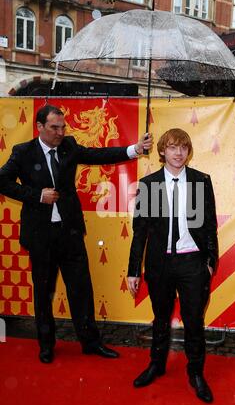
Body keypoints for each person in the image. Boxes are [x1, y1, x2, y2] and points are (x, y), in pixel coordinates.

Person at [0, 104, 152, 364]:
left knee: (81, 290)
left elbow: (97, 154)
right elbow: (1, 181)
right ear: (39, 128)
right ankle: (46, 345)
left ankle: (91, 343)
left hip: (70, 233)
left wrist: (134, 149)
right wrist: (37, 195)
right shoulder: (23, 152)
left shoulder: (69, 145)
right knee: (44, 292)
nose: (60, 132)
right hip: (40, 236)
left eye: (62, 127)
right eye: (54, 128)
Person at [127, 128, 218, 403]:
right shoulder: (149, 184)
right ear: (162, 151)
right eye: (172, 147)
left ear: (188, 152)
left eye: (183, 148)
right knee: (161, 318)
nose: (178, 153)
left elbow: (211, 225)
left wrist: (211, 261)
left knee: (194, 321)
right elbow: (140, 231)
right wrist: (133, 270)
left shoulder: (201, 181)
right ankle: (156, 364)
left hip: (192, 262)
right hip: (160, 264)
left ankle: (196, 373)